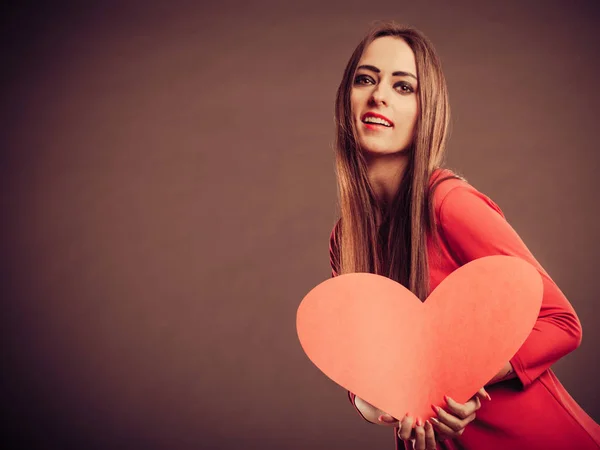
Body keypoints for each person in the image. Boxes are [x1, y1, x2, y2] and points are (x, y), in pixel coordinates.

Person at [327, 22, 600, 450]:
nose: (379, 94)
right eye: (366, 78)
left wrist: (463, 378)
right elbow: (364, 371)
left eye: (404, 87)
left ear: (426, 112)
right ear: (347, 99)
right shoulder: (347, 238)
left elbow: (562, 323)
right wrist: (386, 406)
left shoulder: (448, 205)